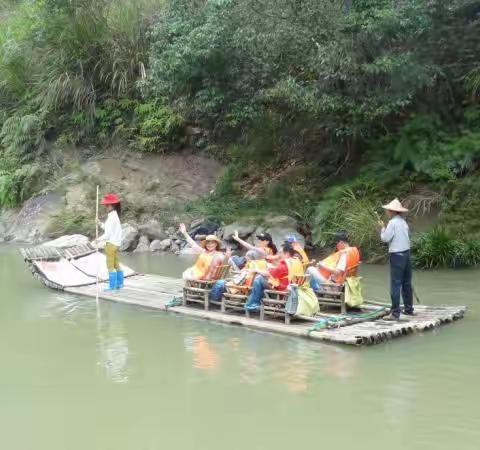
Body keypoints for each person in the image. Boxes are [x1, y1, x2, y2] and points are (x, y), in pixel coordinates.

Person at [378, 198, 414, 320]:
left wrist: (382, 228)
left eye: (388, 210)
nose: (387, 212)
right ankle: (409, 309)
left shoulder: (392, 223)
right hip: (407, 255)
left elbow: (385, 238)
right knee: (407, 283)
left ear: (392, 211)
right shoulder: (404, 222)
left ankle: (395, 313)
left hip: (397, 256)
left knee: (395, 284)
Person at [244, 243, 304, 312]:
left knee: (259, 279)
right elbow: (281, 272)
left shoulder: (284, 264)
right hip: (295, 288)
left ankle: (253, 304)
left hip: (284, 289)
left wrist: (256, 270)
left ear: (287, 253)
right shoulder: (296, 260)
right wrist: (272, 268)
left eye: (281, 252)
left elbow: (268, 274)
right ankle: (254, 303)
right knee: (261, 279)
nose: (279, 254)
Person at [97, 193, 123, 291]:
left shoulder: (112, 217)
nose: (106, 207)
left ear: (112, 205)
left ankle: (112, 287)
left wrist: (97, 239)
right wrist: (100, 224)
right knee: (116, 264)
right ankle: (120, 284)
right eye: (106, 205)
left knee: (110, 266)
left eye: (107, 205)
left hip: (111, 244)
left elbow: (107, 234)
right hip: (116, 244)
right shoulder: (114, 215)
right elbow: (108, 229)